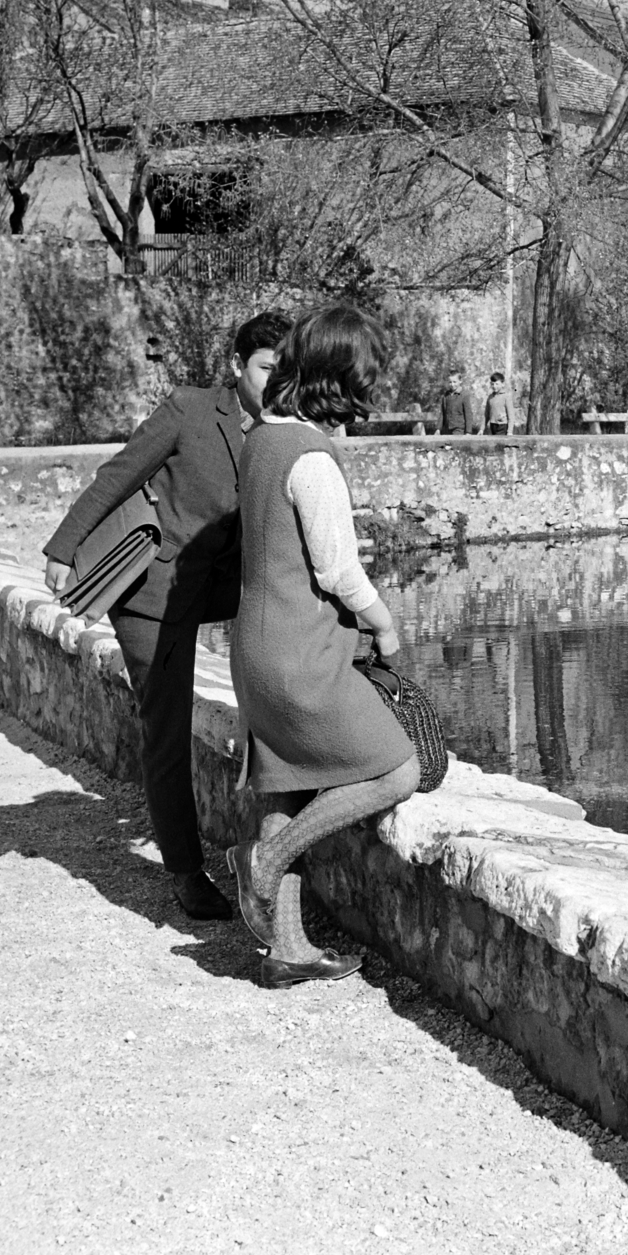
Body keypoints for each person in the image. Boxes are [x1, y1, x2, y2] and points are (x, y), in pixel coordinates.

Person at [42, 311, 293, 920]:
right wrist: (61, 547)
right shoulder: (188, 410)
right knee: (168, 726)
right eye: (265, 368)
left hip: (228, 593)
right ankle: (185, 870)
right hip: (154, 595)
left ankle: (274, 858)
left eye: (286, 369)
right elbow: (117, 476)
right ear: (236, 367)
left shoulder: (287, 428)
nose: (276, 380)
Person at [227, 304, 420, 988]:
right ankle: (266, 857)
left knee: (286, 777)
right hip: (299, 652)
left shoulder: (261, 437)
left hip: (252, 650)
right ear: (345, 376)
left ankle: (286, 948)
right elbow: (338, 569)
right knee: (398, 768)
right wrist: (387, 624)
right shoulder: (312, 458)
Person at [439, 366, 474, 435]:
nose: (452, 384)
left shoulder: (464, 395)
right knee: (446, 445)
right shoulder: (446, 396)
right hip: (446, 428)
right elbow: (442, 413)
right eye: (450, 382)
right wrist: (438, 429)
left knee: (456, 445)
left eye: (454, 382)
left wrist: (468, 431)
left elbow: (468, 414)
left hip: (459, 429)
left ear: (460, 381)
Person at [483, 370, 511, 436]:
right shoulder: (490, 397)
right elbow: (486, 415)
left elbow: (511, 416)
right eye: (492, 384)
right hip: (493, 425)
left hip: (502, 425)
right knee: (494, 443)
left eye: (497, 384)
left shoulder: (506, 397)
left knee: (500, 444)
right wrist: (482, 429)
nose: (494, 386)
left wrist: (510, 431)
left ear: (502, 384)